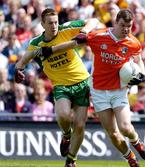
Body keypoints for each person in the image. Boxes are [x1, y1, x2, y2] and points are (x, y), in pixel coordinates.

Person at [39, 9, 145, 167]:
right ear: (116, 23)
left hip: (119, 91)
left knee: (125, 127)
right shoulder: (99, 36)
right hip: (98, 92)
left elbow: (139, 60)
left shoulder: (133, 42)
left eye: (129, 26)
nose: (126, 29)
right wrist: (50, 50)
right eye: (123, 25)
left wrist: (142, 74)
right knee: (113, 134)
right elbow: (74, 43)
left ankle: (136, 141)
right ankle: (130, 157)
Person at [14, 8, 100, 167]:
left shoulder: (66, 29)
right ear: (42, 24)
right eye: (50, 23)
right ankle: (67, 136)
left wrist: (84, 31)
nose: (54, 26)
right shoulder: (36, 43)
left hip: (81, 82)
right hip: (61, 85)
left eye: (56, 22)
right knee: (63, 115)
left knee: (80, 125)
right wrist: (18, 69)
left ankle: (71, 161)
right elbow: (26, 57)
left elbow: (94, 20)